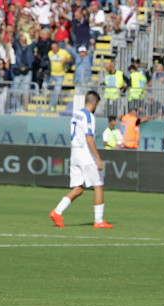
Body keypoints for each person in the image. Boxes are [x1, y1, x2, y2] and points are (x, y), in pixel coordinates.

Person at [49, 91, 113, 229]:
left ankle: (57, 212)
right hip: (86, 154)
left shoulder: (76, 114)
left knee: (78, 188)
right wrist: (98, 157)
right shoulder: (89, 116)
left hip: (75, 153)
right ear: (94, 102)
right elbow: (89, 137)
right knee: (98, 186)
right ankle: (99, 221)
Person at [47, 41, 71, 111]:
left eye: (55, 47)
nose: (54, 49)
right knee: (45, 87)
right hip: (51, 75)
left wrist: (65, 61)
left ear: (58, 47)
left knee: (56, 91)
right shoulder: (50, 53)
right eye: (52, 48)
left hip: (60, 75)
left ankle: (51, 107)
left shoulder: (63, 52)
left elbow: (70, 59)